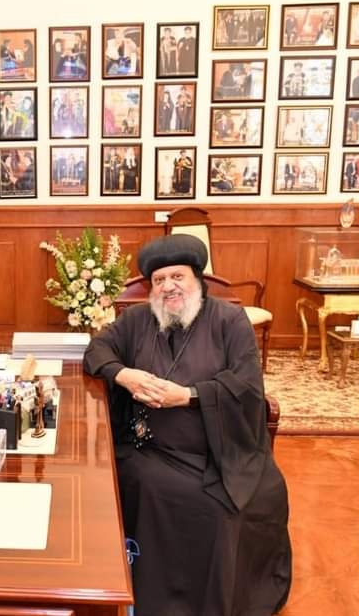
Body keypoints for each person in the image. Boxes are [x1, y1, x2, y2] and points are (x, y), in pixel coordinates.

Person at [84, 234, 292, 616]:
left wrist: (188, 396)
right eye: (159, 280)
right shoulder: (137, 320)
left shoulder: (230, 321)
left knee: (229, 506)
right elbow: (97, 349)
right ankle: (155, 596)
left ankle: (209, 603)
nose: (168, 287)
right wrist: (124, 375)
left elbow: (246, 386)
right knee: (153, 488)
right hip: (151, 448)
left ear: (198, 279)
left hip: (220, 450)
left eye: (177, 276)